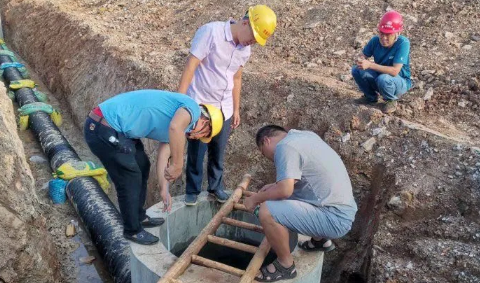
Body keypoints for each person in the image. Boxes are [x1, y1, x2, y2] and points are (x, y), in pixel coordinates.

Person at [84, 90, 223, 245]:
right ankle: (132, 230)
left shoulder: (180, 129)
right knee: (130, 177)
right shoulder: (193, 108)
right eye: (203, 135)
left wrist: (164, 190)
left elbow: (164, 157)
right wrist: (178, 164)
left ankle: (139, 217)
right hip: (102, 127)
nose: (197, 138)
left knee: (143, 165)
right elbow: (175, 127)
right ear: (206, 122)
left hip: (119, 132)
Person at [177, 5, 277, 206]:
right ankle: (192, 191)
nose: (253, 43)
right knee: (197, 152)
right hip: (202, 105)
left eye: (258, 41)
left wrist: (236, 108)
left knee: (218, 151)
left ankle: (215, 187)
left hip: (224, 108)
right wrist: (181, 101)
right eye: (254, 36)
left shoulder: (245, 50)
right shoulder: (211, 32)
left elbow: (237, 78)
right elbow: (191, 65)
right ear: (246, 22)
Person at [244, 125, 357, 282]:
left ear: (266, 140)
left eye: (264, 153)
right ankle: (320, 240)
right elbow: (305, 181)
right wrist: (273, 186)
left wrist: (256, 198)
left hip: (334, 219)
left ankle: (285, 266)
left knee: (267, 210)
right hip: (342, 210)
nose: (269, 158)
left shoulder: (285, 147)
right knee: (280, 197)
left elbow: (285, 191)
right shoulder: (305, 136)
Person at [352, 10, 412, 114]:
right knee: (356, 70)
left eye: (388, 35)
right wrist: (360, 59)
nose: (384, 38)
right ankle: (370, 97)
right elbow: (363, 55)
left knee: (383, 79)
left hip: (399, 81)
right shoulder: (375, 41)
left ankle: (391, 100)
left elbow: (394, 71)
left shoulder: (403, 43)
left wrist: (370, 65)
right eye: (381, 33)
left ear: (397, 34)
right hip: (381, 79)